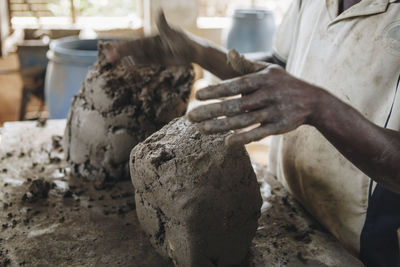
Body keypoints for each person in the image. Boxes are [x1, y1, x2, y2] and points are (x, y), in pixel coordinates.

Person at [105, 1, 400, 265]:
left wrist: (320, 107)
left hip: (360, 243)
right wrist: (199, 52)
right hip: (291, 208)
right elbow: (279, 73)